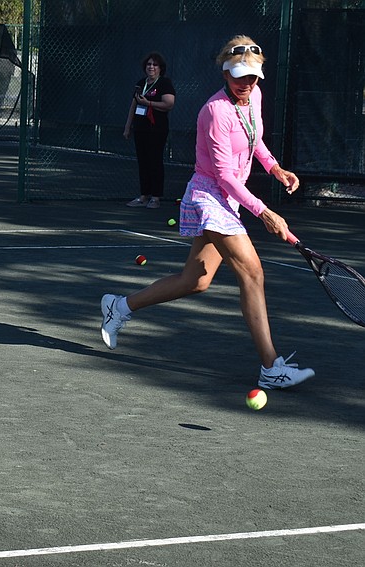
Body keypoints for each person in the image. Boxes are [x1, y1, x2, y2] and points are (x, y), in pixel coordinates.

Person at [101, 35, 315, 390]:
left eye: (252, 76)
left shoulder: (254, 97)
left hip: (229, 199)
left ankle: (118, 307)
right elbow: (226, 177)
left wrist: (275, 168)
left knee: (195, 281)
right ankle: (270, 366)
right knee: (252, 272)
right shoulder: (214, 112)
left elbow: (255, 139)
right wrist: (265, 212)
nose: (246, 83)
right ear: (225, 72)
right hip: (209, 196)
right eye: (238, 76)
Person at [123, 52, 176, 209]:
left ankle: (156, 197)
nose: (151, 67)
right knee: (143, 162)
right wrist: (128, 127)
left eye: (154, 65)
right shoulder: (141, 83)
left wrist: (149, 103)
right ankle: (143, 196)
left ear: (160, 68)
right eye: (148, 64)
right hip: (141, 128)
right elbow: (134, 105)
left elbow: (169, 104)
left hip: (157, 129)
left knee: (155, 161)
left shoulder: (164, 83)